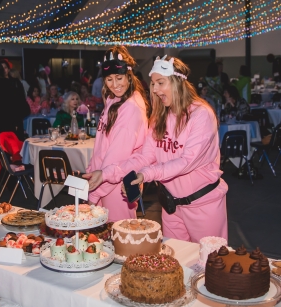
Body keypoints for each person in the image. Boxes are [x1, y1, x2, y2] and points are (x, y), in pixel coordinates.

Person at [85, 55, 228, 243]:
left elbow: (185, 162)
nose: (155, 89)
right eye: (153, 84)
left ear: (178, 81)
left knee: (210, 265)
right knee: (176, 263)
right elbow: (145, 157)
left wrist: (145, 174)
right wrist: (105, 174)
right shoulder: (160, 117)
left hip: (202, 205)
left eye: (161, 83)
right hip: (170, 206)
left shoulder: (200, 114)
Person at [80, 46, 149, 221]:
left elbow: (117, 156)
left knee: (119, 239)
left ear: (129, 76)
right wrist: (91, 171)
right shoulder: (113, 99)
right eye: (109, 79)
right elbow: (101, 145)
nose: (115, 84)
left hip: (116, 186)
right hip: (102, 181)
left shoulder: (131, 107)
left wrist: (94, 193)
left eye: (119, 78)